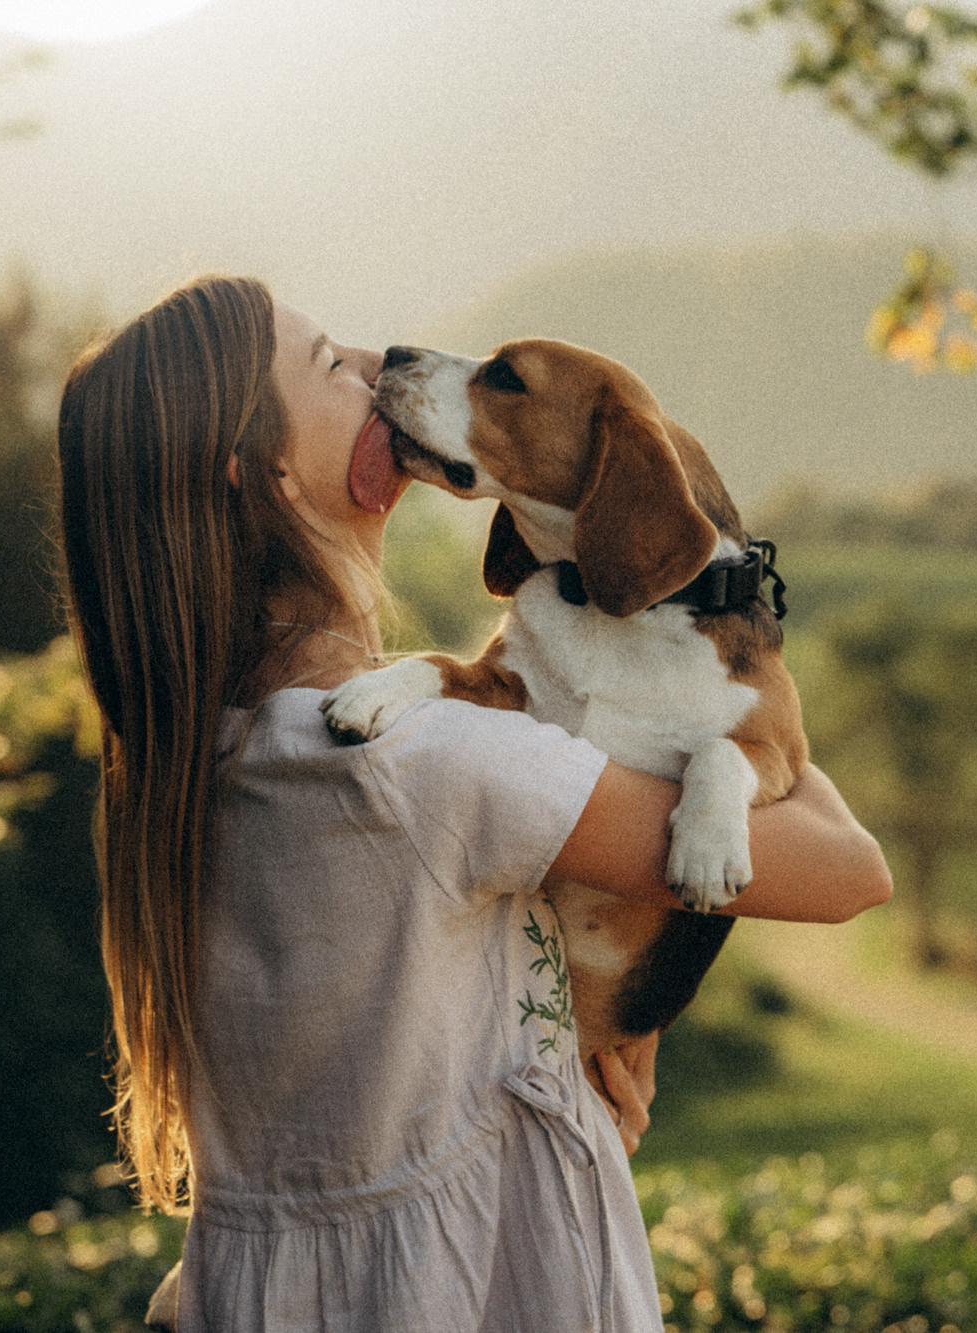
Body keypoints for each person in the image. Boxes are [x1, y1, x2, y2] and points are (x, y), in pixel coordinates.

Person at [54, 274, 891, 1332]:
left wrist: (587, 1020)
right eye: (327, 363)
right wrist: (739, 673)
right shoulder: (431, 760)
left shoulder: (224, 743)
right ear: (262, 472)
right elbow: (847, 870)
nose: (375, 361)